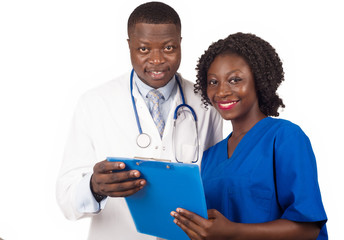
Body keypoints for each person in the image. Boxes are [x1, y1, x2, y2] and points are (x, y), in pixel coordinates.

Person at [56, 2, 223, 240]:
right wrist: (94, 187)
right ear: (129, 46)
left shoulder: (206, 103)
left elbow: (216, 180)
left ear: (181, 43)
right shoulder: (94, 102)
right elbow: (66, 199)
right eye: (144, 49)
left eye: (169, 47)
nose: (157, 60)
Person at [171, 32, 328, 239]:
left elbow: (308, 228)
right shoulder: (210, 156)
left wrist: (233, 232)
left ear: (259, 80)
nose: (222, 92)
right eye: (213, 82)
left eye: (235, 80)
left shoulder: (285, 137)